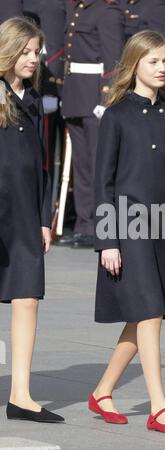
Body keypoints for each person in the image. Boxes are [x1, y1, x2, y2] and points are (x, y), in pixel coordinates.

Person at [91, 30, 165, 434]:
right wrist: (107, 241)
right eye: (153, 61)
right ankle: (159, 407)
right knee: (150, 312)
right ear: (135, 64)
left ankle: (102, 391)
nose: (162, 68)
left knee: (143, 318)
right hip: (128, 227)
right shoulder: (115, 115)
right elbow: (102, 182)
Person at [0, 17, 64, 423]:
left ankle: (20, 395)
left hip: (25, 212)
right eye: (24, 51)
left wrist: (45, 217)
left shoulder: (35, 98)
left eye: (36, 51)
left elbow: (42, 164)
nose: (33, 58)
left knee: (26, 298)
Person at [60, 0, 125, 248]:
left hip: (94, 95)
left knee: (99, 164)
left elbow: (114, 60)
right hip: (76, 93)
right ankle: (84, 224)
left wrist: (107, 99)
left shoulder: (107, 12)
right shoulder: (79, 10)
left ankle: (101, 227)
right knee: (82, 166)